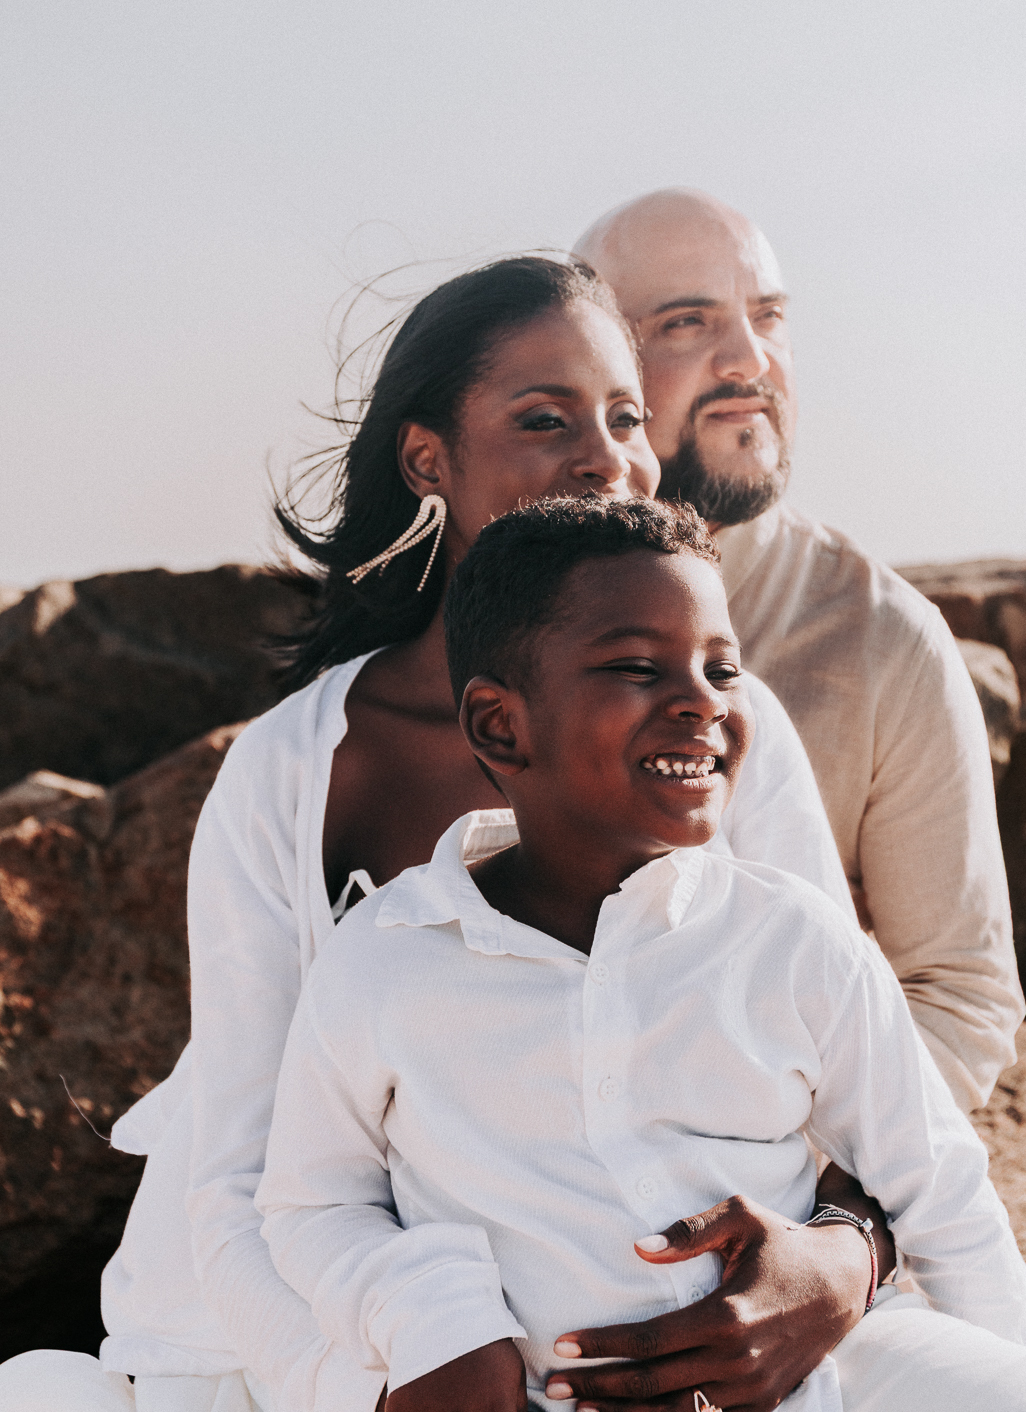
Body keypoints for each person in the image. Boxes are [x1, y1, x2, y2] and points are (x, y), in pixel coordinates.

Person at [0, 259, 875, 1412]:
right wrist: (371, 1390)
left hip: (634, 1325)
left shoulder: (710, 735)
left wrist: (849, 1262)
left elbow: (859, 1068)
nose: (604, 454)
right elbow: (236, 1170)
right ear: (429, 460)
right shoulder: (294, 765)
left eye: (624, 416)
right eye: (542, 418)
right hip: (315, 1331)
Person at [255, 496, 1026, 1412]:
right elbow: (311, 1206)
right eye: (639, 668)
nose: (702, 702)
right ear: (500, 727)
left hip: (829, 1384)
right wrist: (433, 1324)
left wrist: (1009, 1368)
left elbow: (941, 1189)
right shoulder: (386, 955)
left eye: (723, 669)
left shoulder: (793, 935)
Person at [575, 189, 1023, 1116]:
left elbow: (959, 997)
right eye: (688, 322)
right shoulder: (484, 617)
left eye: (768, 316)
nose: (750, 360)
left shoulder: (880, 639)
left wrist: (808, 1211)